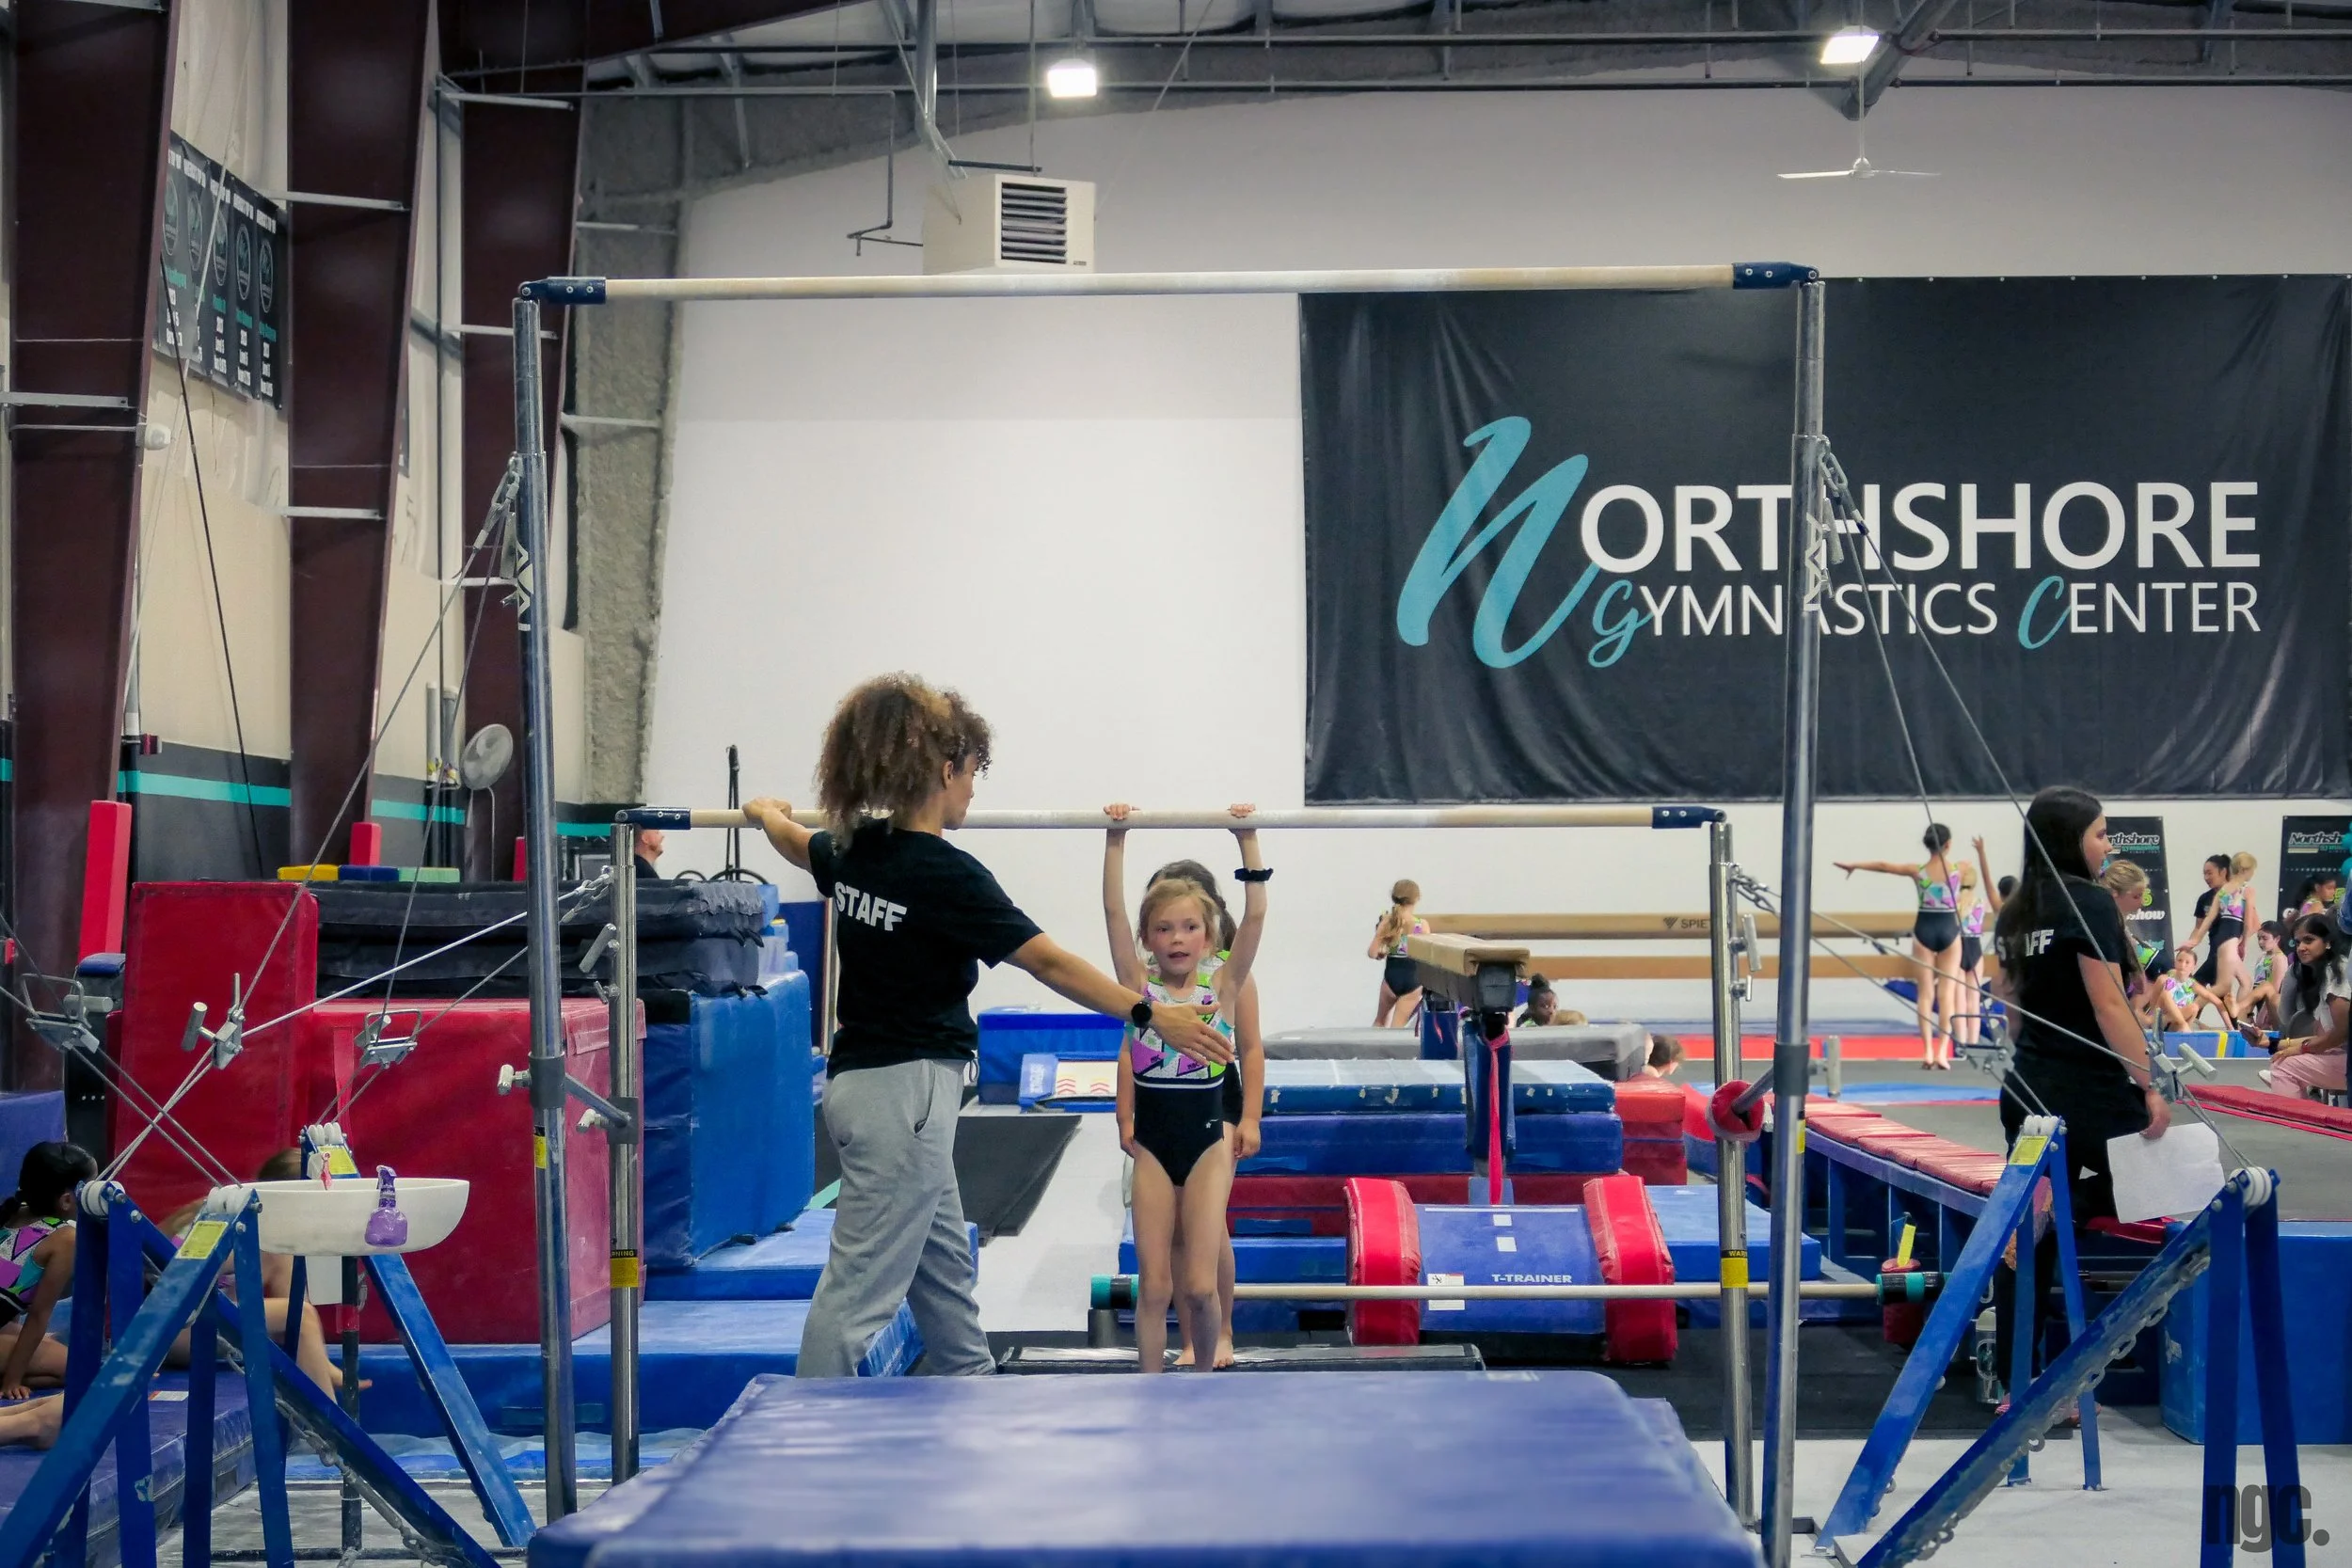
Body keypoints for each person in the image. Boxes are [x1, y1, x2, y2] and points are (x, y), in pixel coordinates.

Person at [744, 674, 1229, 1379]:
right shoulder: (948, 875)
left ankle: (970, 1382)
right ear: (945, 771)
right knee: (857, 1295)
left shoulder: (855, 849)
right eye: (972, 772)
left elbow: (797, 842)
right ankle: (810, 1429)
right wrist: (1151, 1013)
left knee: (942, 1270)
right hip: (906, 1095)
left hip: (868, 1089)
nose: (973, 790)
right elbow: (1049, 962)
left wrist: (764, 813)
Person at [1989, 786, 2169, 1407]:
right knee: (2172, 1178)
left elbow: (2011, 1008)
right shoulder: (2089, 900)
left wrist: (2036, 1060)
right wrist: (2148, 1084)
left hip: (2026, 1087)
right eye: (2100, 833)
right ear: (2072, 840)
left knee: (2030, 1235)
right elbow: (2109, 1004)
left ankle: (2018, 1384)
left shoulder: (2015, 909)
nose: (2108, 845)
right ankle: (2062, 1206)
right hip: (2085, 1092)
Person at [1103, 805, 1267, 1372]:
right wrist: (1115, 838)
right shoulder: (1136, 989)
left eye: (1190, 927)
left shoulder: (1223, 986)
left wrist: (1248, 840)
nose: (1177, 939)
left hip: (1207, 1136)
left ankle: (1209, 1369)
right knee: (1154, 1287)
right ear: (1148, 937)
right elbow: (1113, 913)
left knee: (1199, 1284)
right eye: (1164, 929)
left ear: (1210, 934)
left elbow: (1256, 916)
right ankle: (1148, 1392)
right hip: (1154, 1141)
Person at [1836, 824, 1964, 1069]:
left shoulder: (1917, 871)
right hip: (1949, 929)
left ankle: (1927, 1052)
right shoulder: (1961, 869)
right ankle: (1942, 1053)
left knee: (1925, 994)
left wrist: (1855, 865)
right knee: (1946, 994)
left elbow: (1884, 865)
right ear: (1948, 845)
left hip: (1924, 930)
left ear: (1927, 845)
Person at [0, 1143, 97, 1400]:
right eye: (90, 1187)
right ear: (67, 1200)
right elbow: (38, 1316)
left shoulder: (10, 1213)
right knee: (83, 1370)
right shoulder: (64, 1238)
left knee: (50, 1349)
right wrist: (12, 1380)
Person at [2261, 913, 2348, 1100]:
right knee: (2283, 1062)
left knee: (2284, 1067)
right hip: (2342, 1055)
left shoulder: (2337, 972)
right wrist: (2269, 1043)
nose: (2301, 948)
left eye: (2309, 940)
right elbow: (2325, 1038)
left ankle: (2294, 1117)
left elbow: (2341, 1033)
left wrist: (2301, 1049)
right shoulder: (2325, 973)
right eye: (2297, 942)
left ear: (2328, 942)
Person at [2183, 852, 2258, 1007]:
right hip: (2228, 942)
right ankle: (2191, 1009)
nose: (2206, 877)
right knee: (2221, 987)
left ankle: (2238, 1016)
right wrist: (2243, 944)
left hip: (2224, 941)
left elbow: (2209, 919)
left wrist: (2194, 941)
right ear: (2245, 870)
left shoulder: (2223, 891)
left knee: (2245, 982)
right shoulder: (2246, 891)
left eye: (2209, 873)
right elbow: (2248, 923)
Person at [1367, 880, 1428, 1029]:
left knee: (1380, 1022)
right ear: (1417, 898)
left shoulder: (1387, 922)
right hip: (1413, 980)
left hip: (1391, 978)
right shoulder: (1421, 925)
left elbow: (1372, 953)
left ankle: (1373, 1044)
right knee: (1397, 1028)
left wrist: (1382, 953)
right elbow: (1427, 958)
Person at [2153, 946, 2231, 1034]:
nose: (2183, 965)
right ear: (2175, 963)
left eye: (2187, 962)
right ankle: (2182, 1024)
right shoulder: (2168, 979)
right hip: (2163, 1022)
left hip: (2175, 1025)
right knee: (2166, 994)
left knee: (2194, 1007)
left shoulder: (2192, 984)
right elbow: (2156, 1000)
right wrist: (2153, 1018)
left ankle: (2185, 1029)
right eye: (2180, 961)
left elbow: (2218, 1002)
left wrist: (2230, 1027)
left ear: (2194, 967)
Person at [2234, 922, 2291, 1032]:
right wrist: (2250, 1013)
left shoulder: (2279, 958)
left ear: (2277, 939)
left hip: (2269, 1002)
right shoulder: (2262, 957)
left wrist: (2264, 1012)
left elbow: (2274, 989)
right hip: (2258, 998)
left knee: (2265, 1027)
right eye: (2259, 938)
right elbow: (2256, 984)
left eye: (2265, 938)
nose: (2260, 942)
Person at [2187, 855, 2231, 988]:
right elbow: (2198, 928)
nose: (2206, 878)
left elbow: (2253, 924)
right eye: (2204, 874)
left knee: (2194, 986)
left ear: (2223, 872)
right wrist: (2187, 949)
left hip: (2227, 953)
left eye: (2209, 873)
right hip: (2213, 951)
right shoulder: (2205, 899)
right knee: (2217, 992)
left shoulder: (2236, 895)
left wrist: (2240, 943)